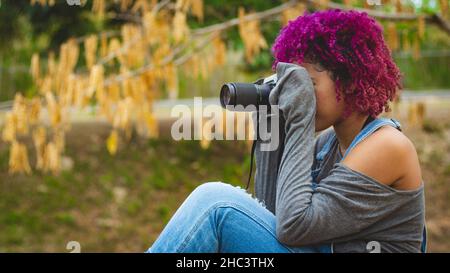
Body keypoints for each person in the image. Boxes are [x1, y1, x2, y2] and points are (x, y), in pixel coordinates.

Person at [146, 9, 426, 253]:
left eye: (307, 84)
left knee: (216, 202)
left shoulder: (388, 146)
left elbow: (293, 227)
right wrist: (271, 119)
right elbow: (272, 218)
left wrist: (299, 121)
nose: (296, 95)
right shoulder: (329, 145)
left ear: (349, 82)